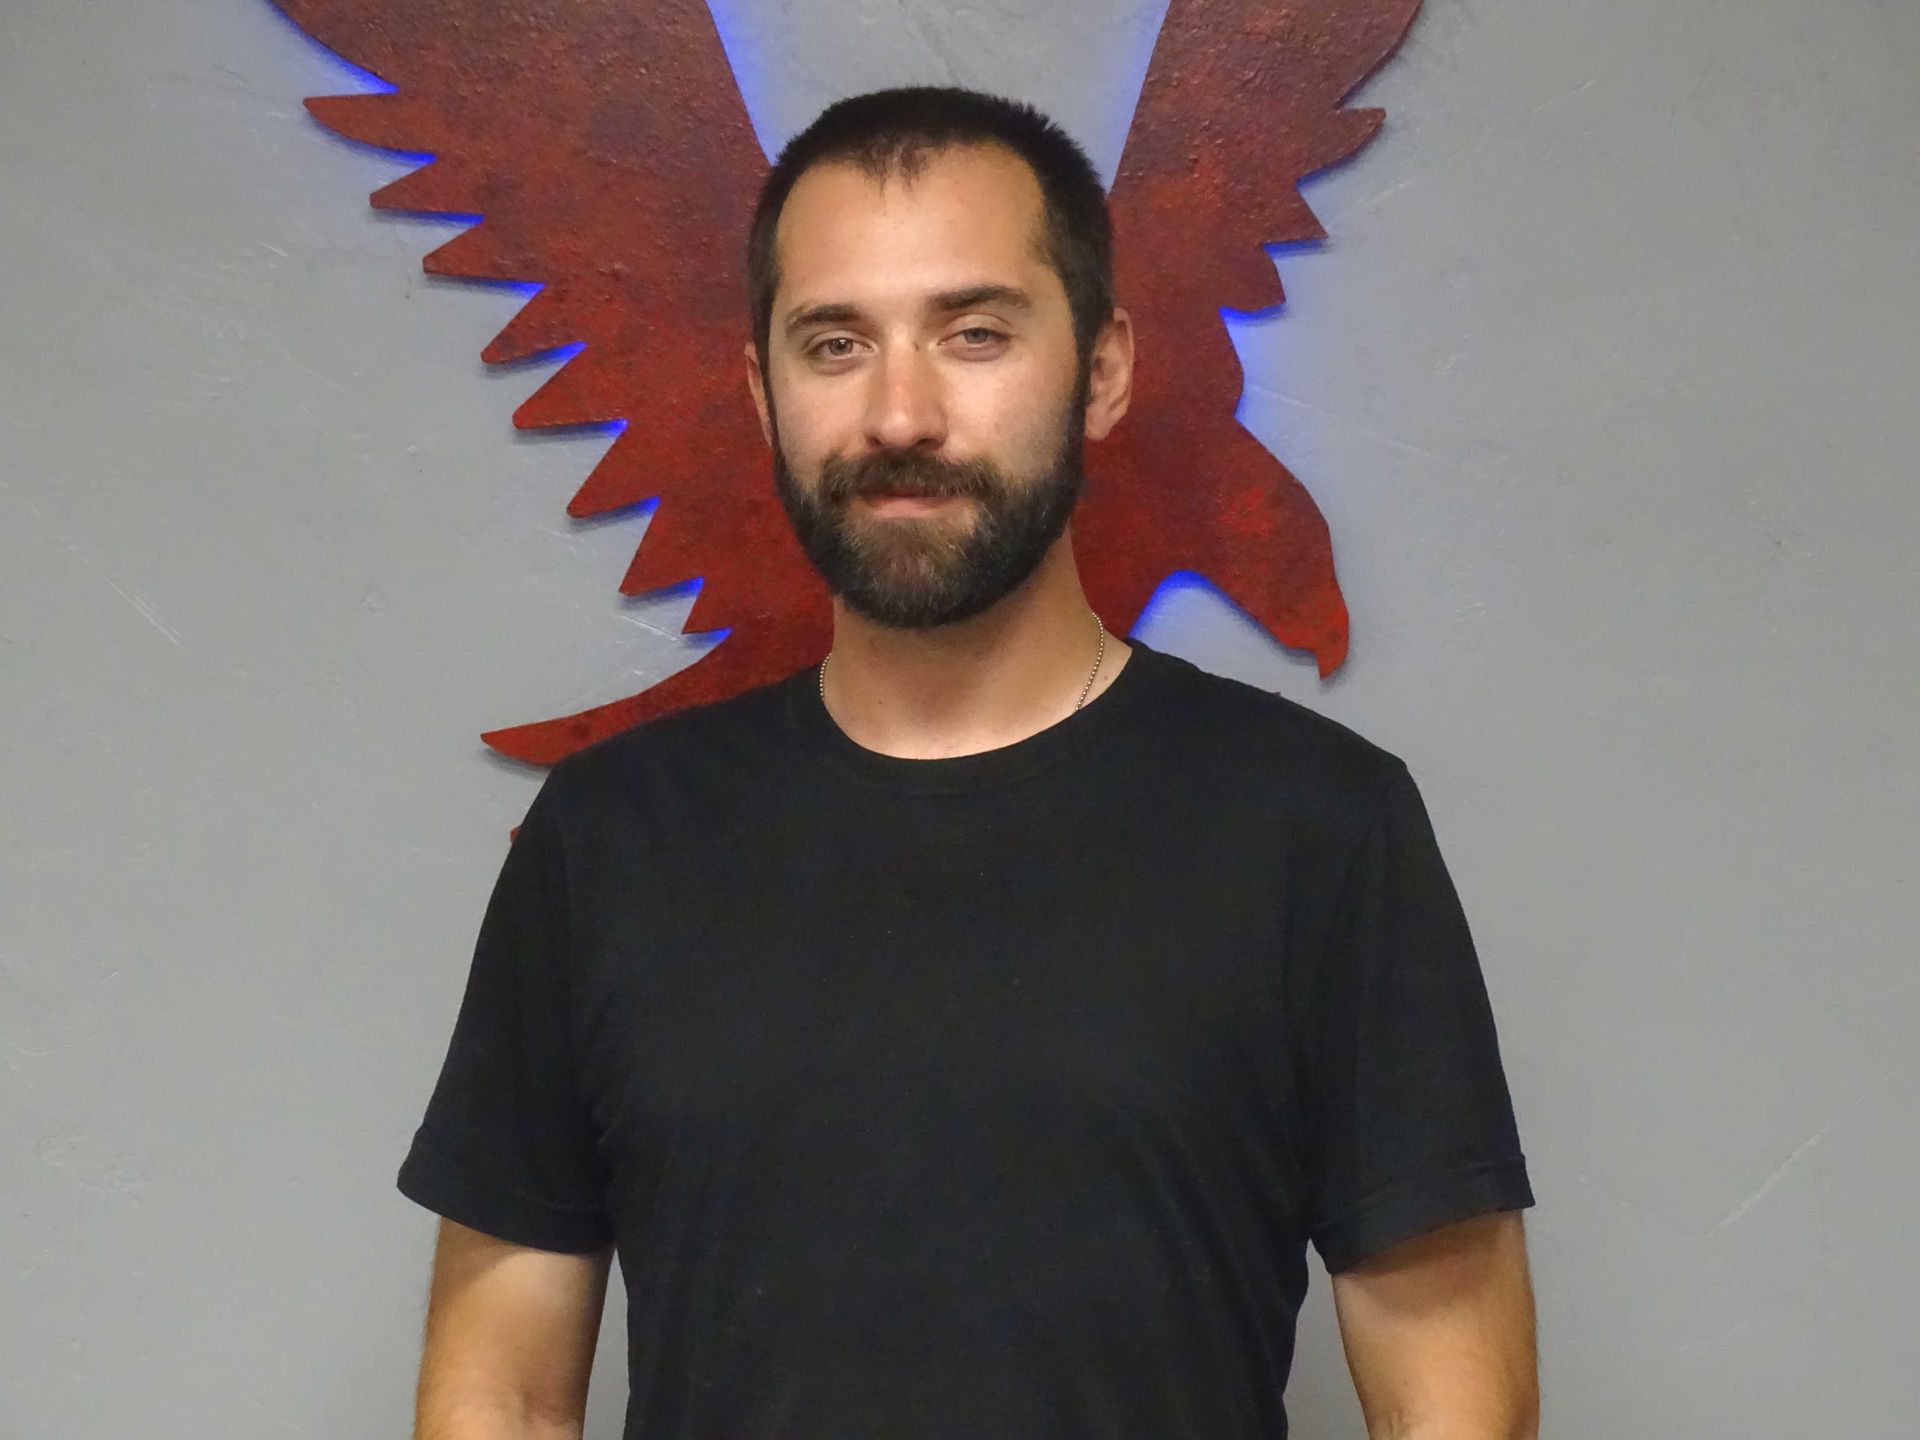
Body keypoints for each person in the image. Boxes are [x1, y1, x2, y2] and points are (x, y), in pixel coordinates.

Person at [395, 85, 1539, 1440]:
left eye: (975, 333)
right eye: (835, 344)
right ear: (762, 393)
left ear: (1102, 370)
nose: (900, 414)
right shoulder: (609, 839)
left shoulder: (1318, 826)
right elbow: (502, 1393)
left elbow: (1454, 1398)